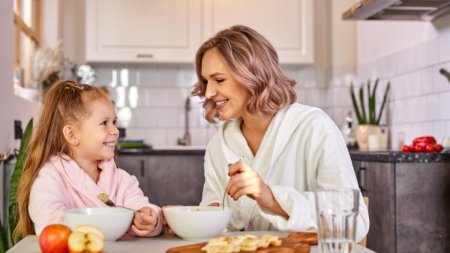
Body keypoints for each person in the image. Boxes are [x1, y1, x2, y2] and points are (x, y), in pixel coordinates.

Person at [190, 25, 369, 242]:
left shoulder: (314, 128)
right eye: (206, 81)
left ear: (252, 75)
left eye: (219, 80)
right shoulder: (219, 145)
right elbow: (214, 214)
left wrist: (272, 199)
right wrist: (188, 220)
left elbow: (355, 222)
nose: (209, 92)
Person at [15, 80, 163, 238]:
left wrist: (149, 218)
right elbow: (51, 222)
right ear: (72, 135)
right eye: (104, 123)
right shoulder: (50, 179)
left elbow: (139, 205)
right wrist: (107, 224)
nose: (115, 131)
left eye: (114, 122)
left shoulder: (120, 180)